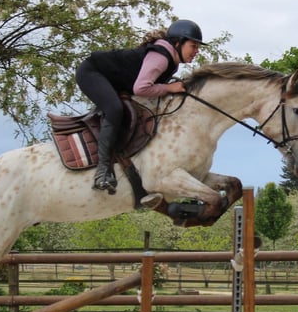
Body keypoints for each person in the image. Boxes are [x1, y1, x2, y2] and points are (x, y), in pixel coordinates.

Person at [75, 19, 206, 194]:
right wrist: (168, 88)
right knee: (114, 109)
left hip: (112, 80)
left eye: (197, 47)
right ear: (178, 42)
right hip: (91, 72)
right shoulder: (161, 58)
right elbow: (141, 88)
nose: (196, 51)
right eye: (193, 46)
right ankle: (102, 172)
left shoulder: (171, 61)